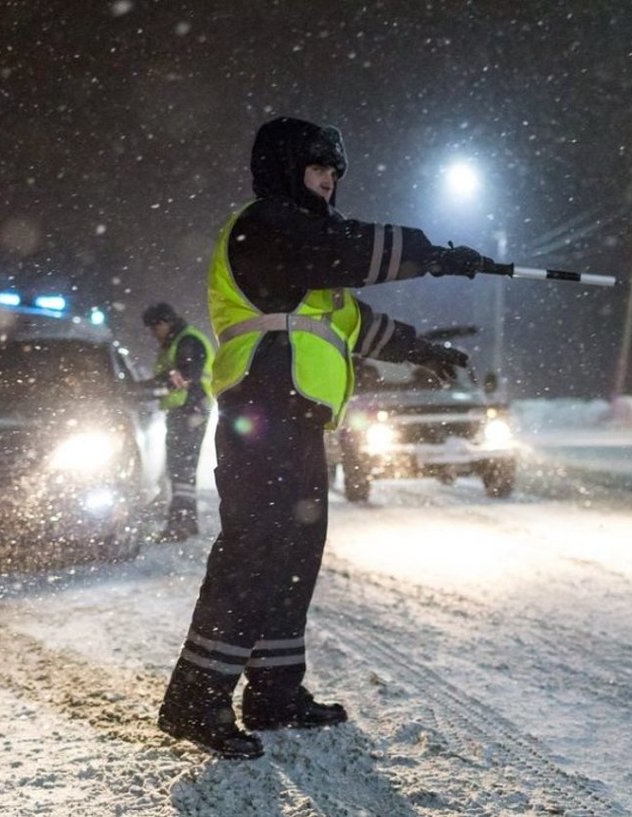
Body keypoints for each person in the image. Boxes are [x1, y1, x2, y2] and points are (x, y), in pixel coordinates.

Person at [156, 116, 485, 759]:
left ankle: (276, 692)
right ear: (284, 171)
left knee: (294, 555)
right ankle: (195, 698)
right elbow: (350, 250)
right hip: (260, 410)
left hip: (298, 419)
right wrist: (435, 254)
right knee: (254, 552)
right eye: (317, 169)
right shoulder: (266, 226)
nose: (329, 182)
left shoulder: (310, 254)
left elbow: (353, 320)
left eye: (334, 172)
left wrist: (417, 347)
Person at [142, 301, 215, 542]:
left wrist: (141, 388)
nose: (153, 334)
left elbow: (183, 376)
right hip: (187, 411)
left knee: (181, 468)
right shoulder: (178, 341)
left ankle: (180, 524)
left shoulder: (186, 341)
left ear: (165, 323)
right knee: (182, 469)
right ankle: (187, 521)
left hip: (190, 411)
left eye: (154, 328)